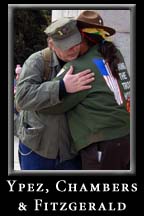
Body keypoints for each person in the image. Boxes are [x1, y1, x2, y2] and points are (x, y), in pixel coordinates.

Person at [41, 10, 130, 170]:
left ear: (81, 38)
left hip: (101, 143)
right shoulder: (114, 55)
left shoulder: (77, 68)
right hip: (124, 136)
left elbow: (51, 105)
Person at [15, 17, 95, 170]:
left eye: (76, 43)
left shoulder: (85, 60)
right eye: (67, 46)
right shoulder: (37, 61)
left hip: (71, 150)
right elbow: (22, 97)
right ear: (51, 45)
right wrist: (61, 87)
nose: (74, 49)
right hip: (38, 149)